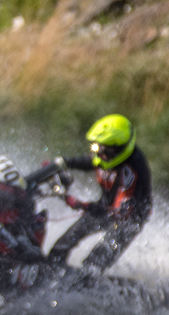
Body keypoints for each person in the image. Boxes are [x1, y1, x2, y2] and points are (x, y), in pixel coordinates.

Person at [46, 114, 151, 273]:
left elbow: (119, 211)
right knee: (61, 246)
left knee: (94, 262)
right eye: (97, 148)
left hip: (128, 219)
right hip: (104, 208)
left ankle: (87, 281)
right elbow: (90, 162)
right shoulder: (105, 157)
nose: (99, 153)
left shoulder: (133, 170)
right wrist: (62, 163)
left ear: (118, 149)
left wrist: (82, 205)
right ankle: (47, 274)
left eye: (104, 150)